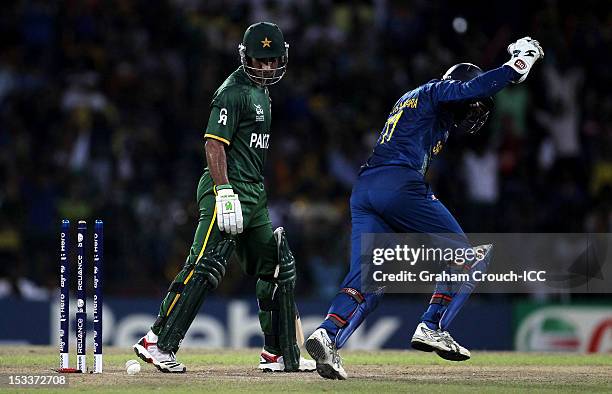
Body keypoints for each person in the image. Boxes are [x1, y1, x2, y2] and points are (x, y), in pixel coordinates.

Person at [305, 37, 545, 380]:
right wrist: (516, 66)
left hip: (366, 189)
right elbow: (473, 87)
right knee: (468, 255)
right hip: (398, 184)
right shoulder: (438, 90)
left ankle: (327, 334)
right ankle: (432, 324)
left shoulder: (412, 99)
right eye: (474, 104)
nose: (475, 110)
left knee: (369, 280)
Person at [133, 22, 315, 374]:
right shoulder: (233, 91)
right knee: (205, 264)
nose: (265, 67)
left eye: (271, 60)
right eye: (259, 60)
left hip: (254, 194)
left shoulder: (263, 93)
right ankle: (156, 340)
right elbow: (214, 142)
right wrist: (224, 190)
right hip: (227, 189)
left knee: (277, 266)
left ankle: (276, 352)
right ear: (246, 57)